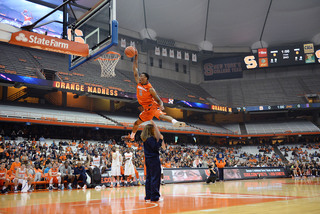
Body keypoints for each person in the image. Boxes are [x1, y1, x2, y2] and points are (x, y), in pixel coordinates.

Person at [122, 51, 185, 141]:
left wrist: (161, 105)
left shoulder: (150, 89)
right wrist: (136, 56)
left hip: (152, 107)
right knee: (136, 123)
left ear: (146, 78)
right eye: (140, 76)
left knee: (161, 117)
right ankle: (132, 137)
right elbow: (135, 68)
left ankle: (175, 122)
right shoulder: (139, 83)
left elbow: (158, 100)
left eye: (142, 77)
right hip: (146, 110)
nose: (140, 77)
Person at [141, 120, 166, 202]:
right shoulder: (151, 139)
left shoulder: (145, 139)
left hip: (148, 159)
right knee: (155, 178)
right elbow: (156, 147)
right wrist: (161, 140)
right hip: (153, 159)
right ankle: (155, 197)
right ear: (150, 130)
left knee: (149, 178)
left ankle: (148, 196)